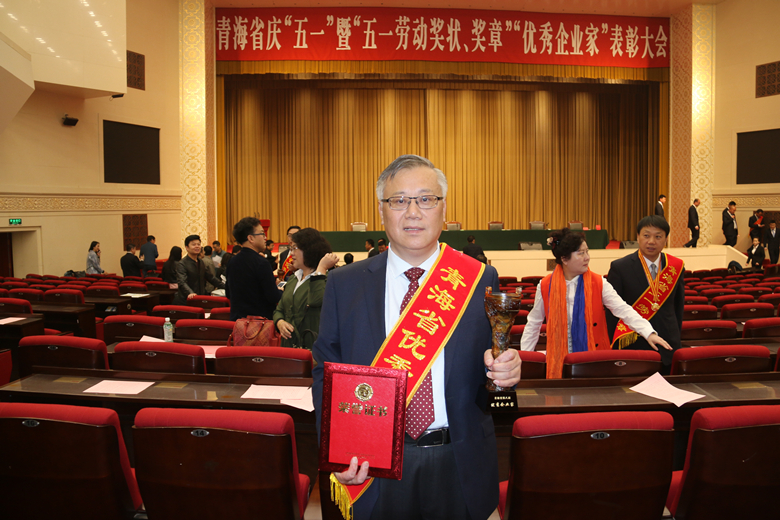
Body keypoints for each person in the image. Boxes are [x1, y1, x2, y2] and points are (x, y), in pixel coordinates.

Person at [313, 154, 520, 520]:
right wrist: (336, 449)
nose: (412, 212)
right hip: (373, 462)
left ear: (443, 208)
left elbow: (489, 372)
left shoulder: (477, 279)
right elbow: (324, 372)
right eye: (398, 200)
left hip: (458, 459)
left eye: (426, 199)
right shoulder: (345, 284)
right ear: (381, 211)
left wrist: (505, 372)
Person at [520, 229, 670, 379]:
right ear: (564, 259)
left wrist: (648, 332)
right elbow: (534, 323)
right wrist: (525, 358)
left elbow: (623, 309)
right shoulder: (545, 285)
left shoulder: (598, 283)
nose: (587, 258)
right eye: (581, 253)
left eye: (587, 251)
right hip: (559, 360)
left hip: (594, 359)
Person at [606, 215, 685, 372]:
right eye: (646, 235)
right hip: (633, 342)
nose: (651, 241)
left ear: (666, 239)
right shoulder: (620, 268)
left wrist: (675, 337)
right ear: (638, 237)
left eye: (658, 237)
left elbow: (678, 307)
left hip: (667, 343)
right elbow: (612, 312)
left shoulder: (676, 266)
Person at [273, 228, 338, 350]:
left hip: (313, 349)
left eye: (294, 248)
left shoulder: (327, 279)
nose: (291, 253)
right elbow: (279, 310)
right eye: (290, 248)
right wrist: (280, 322)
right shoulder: (293, 279)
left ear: (309, 250)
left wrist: (321, 269)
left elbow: (315, 300)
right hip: (288, 347)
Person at [226, 217, 282, 321]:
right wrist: (281, 291)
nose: (265, 238)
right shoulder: (261, 263)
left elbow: (228, 293)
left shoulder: (232, 261)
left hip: (237, 323)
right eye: (262, 234)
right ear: (251, 238)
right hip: (259, 324)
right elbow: (273, 297)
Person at [173, 235, 225, 305]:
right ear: (187, 248)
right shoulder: (182, 264)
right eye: (193, 244)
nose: (197, 246)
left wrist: (226, 287)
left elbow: (211, 278)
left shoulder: (201, 262)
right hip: (187, 300)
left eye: (198, 244)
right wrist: (190, 293)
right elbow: (182, 282)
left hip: (200, 298)